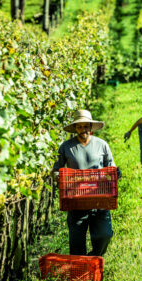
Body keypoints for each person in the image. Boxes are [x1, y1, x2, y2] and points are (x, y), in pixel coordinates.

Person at [53, 109, 119, 257]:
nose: (83, 130)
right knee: (76, 244)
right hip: (76, 201)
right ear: (75, 129)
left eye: (86, 126)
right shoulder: (66, 147)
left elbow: (111, 167)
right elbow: (56, 170)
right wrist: (59, 177)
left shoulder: (102, 145)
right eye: (79, 127)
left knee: (105, 235)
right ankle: (81, 274)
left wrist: (116, 174)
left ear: (91, 126)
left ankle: (93, 257)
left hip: (100, 200)